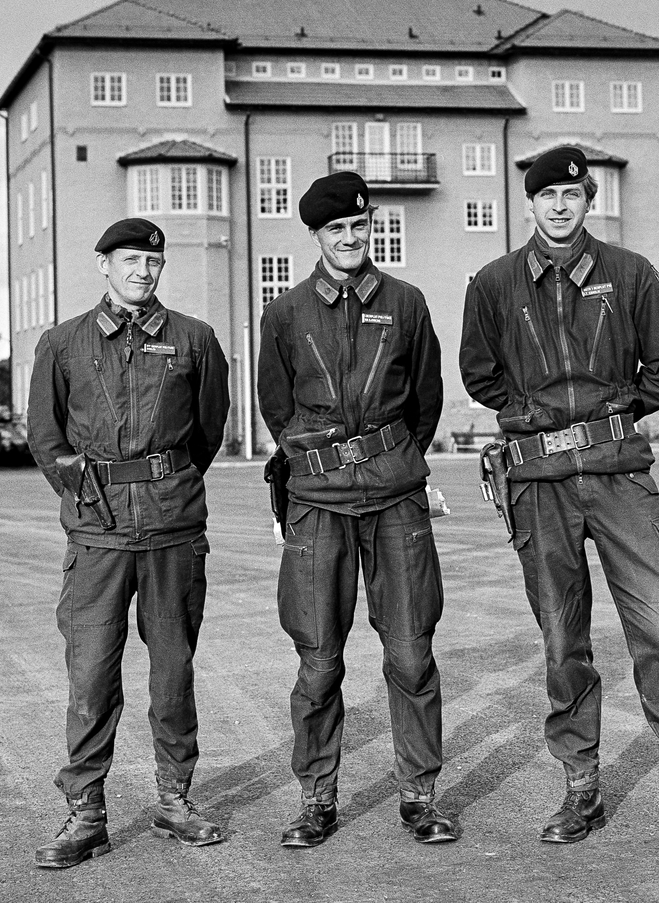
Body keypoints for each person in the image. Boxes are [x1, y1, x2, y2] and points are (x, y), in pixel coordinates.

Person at [459, 147, 659, 852]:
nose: (559, 205)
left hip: (619, 473)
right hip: (538, 481)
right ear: (530, 203)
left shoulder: (631, 274)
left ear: (588, 200)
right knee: (562, 638)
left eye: (572, 194)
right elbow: (479, 373)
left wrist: (611, 411)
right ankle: (581, 789)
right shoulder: (493, 284)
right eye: (547, 195)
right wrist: (536, 417)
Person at [258, 171, 456, 848]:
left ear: (371, 227)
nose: (349, 238)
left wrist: (388, 459)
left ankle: (419, 796)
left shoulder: (406, 303)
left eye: (359, 226)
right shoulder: (285, 315)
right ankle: (317, 799)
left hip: (396, 499)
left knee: (411, 653)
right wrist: (325, 464)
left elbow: (424, 400)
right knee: (318, 661)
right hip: (317, 505)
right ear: (316, 235)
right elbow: (278, 408)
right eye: (336, 229)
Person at [27, 218, 230, 869]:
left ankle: (175, 799)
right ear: (104, 264)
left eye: (153, 261)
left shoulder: (195, 339)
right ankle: (86, 813)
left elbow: (207, 431)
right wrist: (88, 495)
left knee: (172, 673)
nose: (143, 271)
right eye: (130, 260)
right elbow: (46, 438)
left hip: (173, 530)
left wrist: (165, 485)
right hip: (99, 532)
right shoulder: (62, 343)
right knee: (90, 675)